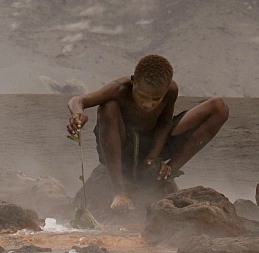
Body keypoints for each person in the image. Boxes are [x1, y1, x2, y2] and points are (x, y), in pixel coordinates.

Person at [66, 54, 229, 211]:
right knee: (107, 106)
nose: (148, 104)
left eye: (155, 99)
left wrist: (153, 157)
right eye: (142, 96)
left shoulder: (171, 90)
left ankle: (168, 171)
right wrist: (77, 114)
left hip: (152, 142)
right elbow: (78, 100)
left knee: (218, 107)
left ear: (165, 91)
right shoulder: (119, 88)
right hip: (121, 147)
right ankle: (119, 192)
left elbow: (165, 124)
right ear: (133, 81)